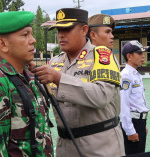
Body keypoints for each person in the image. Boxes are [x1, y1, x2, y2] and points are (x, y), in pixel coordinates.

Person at [32, 8, 125, 157]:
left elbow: (101, 96)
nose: (61, 34)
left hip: (100, 144)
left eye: (67, 29)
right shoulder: (56, 61)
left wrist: (59, 78)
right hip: (65, 145)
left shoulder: (101, 57)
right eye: (58, 30)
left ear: (84, 30)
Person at [0, 11, 53, 157]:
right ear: (3, 44)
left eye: (31, 34)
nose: (33, 40)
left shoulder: (28, 76)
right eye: (25, 35)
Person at [120, 40, 149, 155]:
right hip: (133, 123)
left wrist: (143, 125)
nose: (143, 56)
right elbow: (124, 104)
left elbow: (138, 102)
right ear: (129, 56)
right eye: (139, 53)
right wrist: (129, 130)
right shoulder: (126, 75)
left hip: (140, 122)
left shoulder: (135, 74)